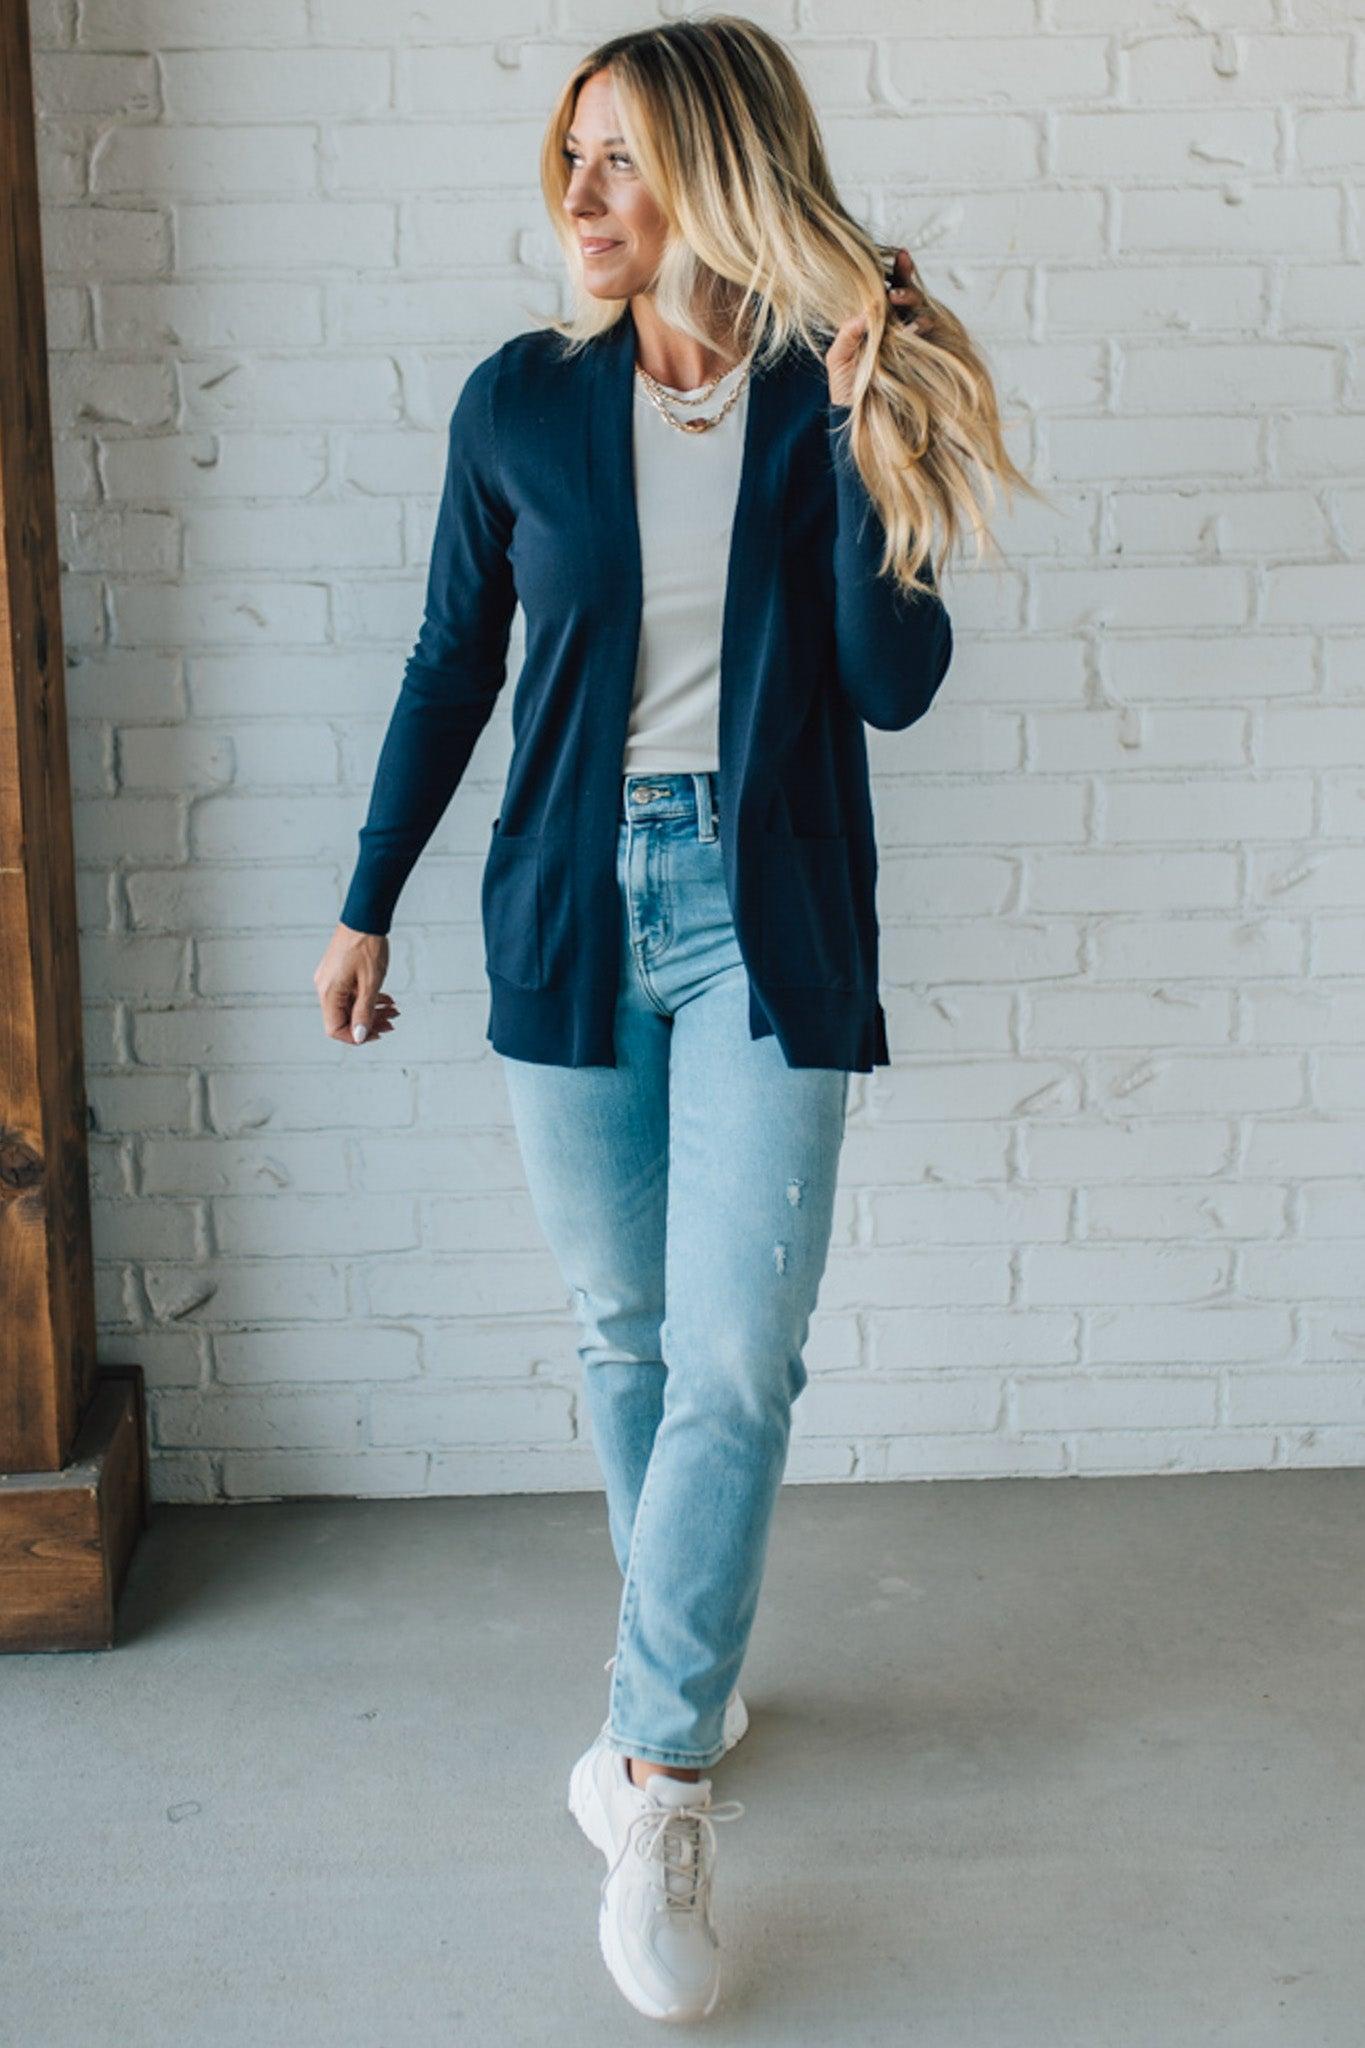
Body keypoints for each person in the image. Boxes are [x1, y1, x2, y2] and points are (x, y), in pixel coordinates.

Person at [313, 16, 1036, 2025]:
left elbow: (890, 682)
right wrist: (363, 896)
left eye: (623, 160)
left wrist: (869, 432)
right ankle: (681, 1678)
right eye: (572, 157)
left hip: (763, 908)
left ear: (714, 174)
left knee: (736, 1347)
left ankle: (653, 1775)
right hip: (565, 899)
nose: (581, 196)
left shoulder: (826, 397)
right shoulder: (518, 406)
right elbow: (451, 662)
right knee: (623, 1334)